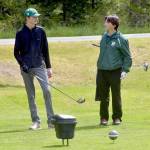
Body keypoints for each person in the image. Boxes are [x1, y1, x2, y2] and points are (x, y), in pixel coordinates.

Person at [14, 8, 54, 130]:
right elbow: (16, 52)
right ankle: (36, 121)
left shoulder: (41, 31)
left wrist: (49, 67)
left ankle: (51, 121)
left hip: (39, 65)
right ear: (27, 18)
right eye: (34, 16)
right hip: (26, 68)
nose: (36, 18)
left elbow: (45, 50)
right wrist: (22, 64)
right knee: (31, 95)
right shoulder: (20, 33)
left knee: (47, 90)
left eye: (37, 16)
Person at [95, 15, 132, 125]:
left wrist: (125, 70)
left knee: (116, 95)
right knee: (103, 96)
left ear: (114, 25)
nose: (105, 23)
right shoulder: (104, 36)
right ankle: (104, 118)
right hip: (102, 70)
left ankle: (117, 117)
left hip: (115, 71)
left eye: (107, 22)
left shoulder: (122, 39)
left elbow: (127, 56)